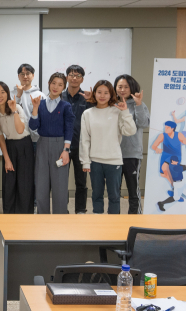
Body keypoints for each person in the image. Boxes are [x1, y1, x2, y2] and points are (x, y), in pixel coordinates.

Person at [80, 80, 137, 214]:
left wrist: (125, 112)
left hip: (114, 161)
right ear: (94, 93)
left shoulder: (117, 111)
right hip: (95, 162)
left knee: (114, 197)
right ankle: (98, 226)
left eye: (106, 93)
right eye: (99, 92)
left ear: (111, 95)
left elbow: (130, 131)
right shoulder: (87, 114)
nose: (102, 95)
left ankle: (114, 229)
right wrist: (85, 161)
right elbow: (85, 140)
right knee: (96, 196)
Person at [29, 73, 75, 215]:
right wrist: (35, 108)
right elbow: (33, 126)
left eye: (60, 84)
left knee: (60, 185)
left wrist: (66, 150)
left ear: (64, 87)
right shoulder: (40, 103)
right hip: (42, 144)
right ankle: (42, 217)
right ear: (49, 83)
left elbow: (69, 128)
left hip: (60, 145)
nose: (56, 87)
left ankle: (60, 218)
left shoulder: (66, 106)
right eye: (53, 83)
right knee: (41, 184)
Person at [0, 81, 34, 214]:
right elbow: (1, 138)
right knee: (9, 184)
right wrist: (7, 159)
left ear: (8, 94)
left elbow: (20, 130)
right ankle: (9, 217)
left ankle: (25, 217)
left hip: (24, 146)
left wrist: (14, 110)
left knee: (24, 184)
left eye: (3, 92)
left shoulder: (17, 108)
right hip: (9, 147)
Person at [114, 74, 150, 214]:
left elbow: (143, 124)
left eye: (126, 87)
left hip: (132, 155)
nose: (122, 90)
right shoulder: (112, 103)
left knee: (133, 191)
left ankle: (134, 219)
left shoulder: (139, 104)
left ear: (132, 88)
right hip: (113, 154)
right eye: (119, 86)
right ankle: (114, 220)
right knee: (114, 192)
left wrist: (139, 104)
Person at [61, 65, 93, 214]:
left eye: (78, 75)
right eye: (71, 75)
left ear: (82, 79)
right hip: (63, 146)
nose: (74, 78)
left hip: (82, 145)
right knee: (61, 180)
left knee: (81, 181)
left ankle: (80, 210)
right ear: (66, 77)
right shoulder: (59, 96)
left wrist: (91, 101)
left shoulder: (87, 98)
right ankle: (63, 209)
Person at [12, 64, 46, 154]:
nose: (25, 76)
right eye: (22, 74)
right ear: (18, 76)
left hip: (35, 139)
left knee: (36, 166)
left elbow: (44, 117)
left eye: (28, 73)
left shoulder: (40, 95)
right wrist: (18, 95)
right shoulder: (12, 94)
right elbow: (10, 113)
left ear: (33, 75)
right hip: (18, 138)